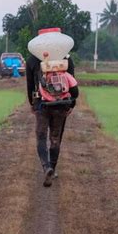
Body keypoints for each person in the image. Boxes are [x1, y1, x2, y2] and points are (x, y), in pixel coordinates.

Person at [26, 54, 79, 187]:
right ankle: (53, 169)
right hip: (61, 105)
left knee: (41, 137)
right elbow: (74, 89)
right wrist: (71, 104)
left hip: (41, 104)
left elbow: (30, 85)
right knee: (55, 138)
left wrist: (32, 103)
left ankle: (46, 167)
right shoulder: (66, 59)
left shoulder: (33, 59)